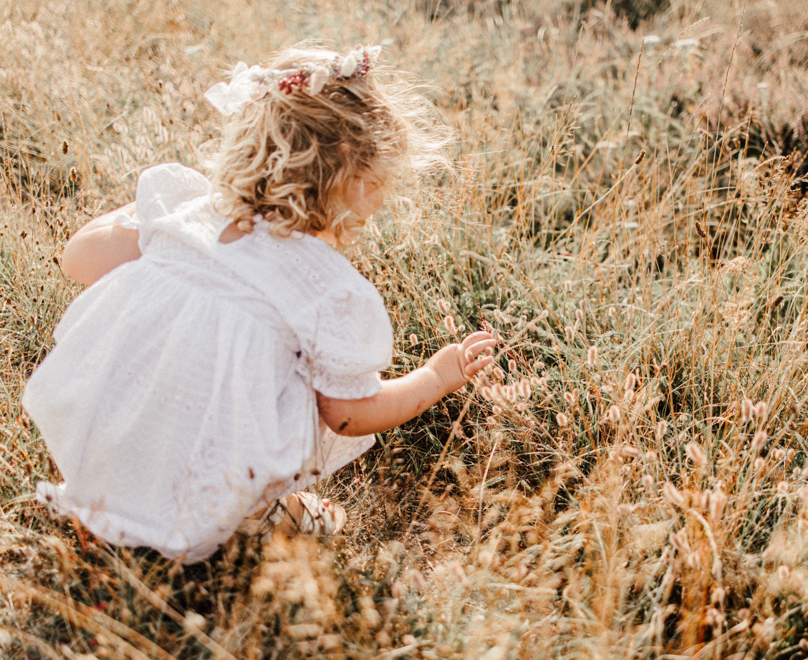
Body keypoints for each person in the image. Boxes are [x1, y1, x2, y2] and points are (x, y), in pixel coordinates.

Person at [21, 44, 495, 563]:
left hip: (101, 458)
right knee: (291, 402)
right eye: (379, 185)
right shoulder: (326, 290)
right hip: (207, 508)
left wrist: (150, 218)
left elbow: (77, 260)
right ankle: (254, 517)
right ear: (353, 187)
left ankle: (130, 505)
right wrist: (436, 376)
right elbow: (346, 417)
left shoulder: (188, 217)